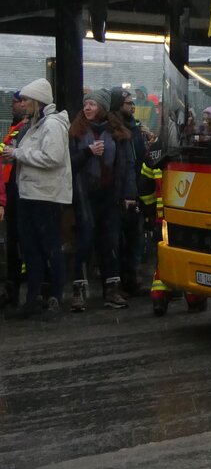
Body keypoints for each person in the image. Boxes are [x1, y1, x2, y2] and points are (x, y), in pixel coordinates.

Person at [1, 78, 70, 320]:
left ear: (38, 101)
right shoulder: (34, 125)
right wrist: (15, 156)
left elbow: (53, 157)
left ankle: (54, 299)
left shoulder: (52, 125)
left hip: (45, 196)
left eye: (27, 100)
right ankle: (33, 298)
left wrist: (18, 153)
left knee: (49, 247)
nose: (23, 104)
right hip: (30, 194)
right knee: (31, 249)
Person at [68, 88, 135, 310]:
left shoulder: (118, 132)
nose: (87, 108)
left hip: (110, 194)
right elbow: (69, 165)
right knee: (85, 241)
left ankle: (112, 290)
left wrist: (128, 194)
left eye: (92, 104)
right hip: (85, 194)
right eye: (86, 104)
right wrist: (87, 152)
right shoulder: (76, 132)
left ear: (103, 108)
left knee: (111, 242)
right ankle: (79, 292)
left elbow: (126, 166)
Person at [111, 87, 150, 298]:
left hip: (135, 188)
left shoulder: (134, 127)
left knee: (134, 236)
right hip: (120, 190)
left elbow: (138, 158)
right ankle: (118, 281)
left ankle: (130, 278)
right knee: (117, 238)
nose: (132, 106)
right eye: (128, 103)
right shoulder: (114, 128)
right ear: (118, 105)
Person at [1, 92, 29, 309]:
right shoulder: (16, 127)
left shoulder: (27, 127)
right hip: (10, 186)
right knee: (13, 240)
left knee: (20, 239)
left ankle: (18, 288)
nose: (14, 105)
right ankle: (12, 288)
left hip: (20, 187)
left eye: (17, 102)